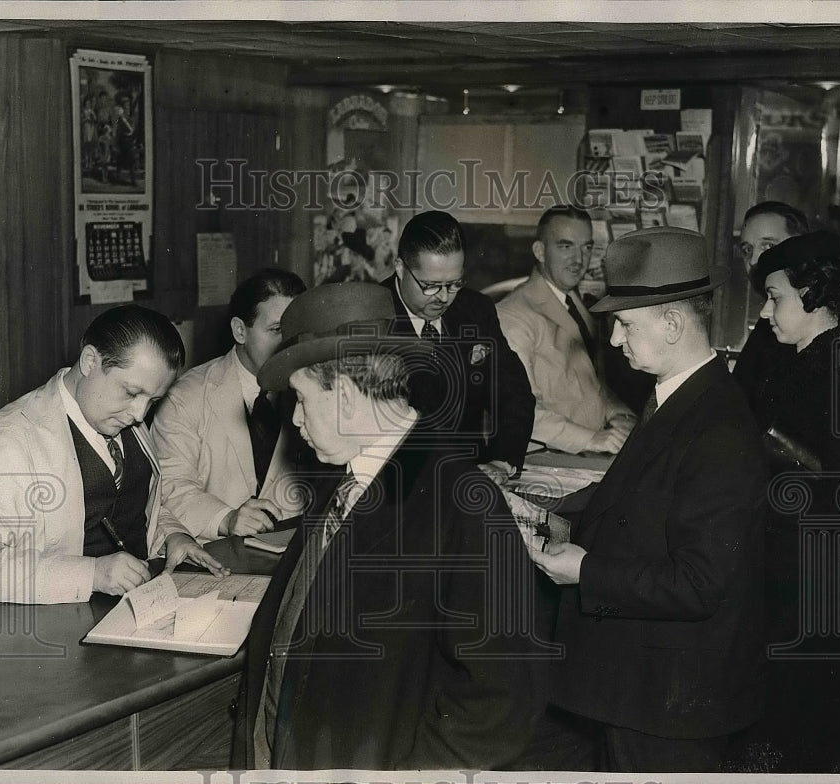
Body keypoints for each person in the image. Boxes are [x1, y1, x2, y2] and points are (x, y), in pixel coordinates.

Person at [248, 282, 546, 770]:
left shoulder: (464, 506)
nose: (296, 421)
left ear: (344, 395)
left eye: (301, 400)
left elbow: (500, 705)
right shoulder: (340, 480)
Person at [529, 227, 768, 772]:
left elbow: (698, 584)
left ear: (673, 322)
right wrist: (547, 513)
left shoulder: (719, 430)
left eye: (625, 324)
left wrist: (584, 570)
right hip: (647, 685)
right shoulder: (678, 396)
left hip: (673, 701)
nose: (614, 340)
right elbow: (637, 496)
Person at [0, 305, 227, 605]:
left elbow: (129, 506)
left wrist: (171, 536)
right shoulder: (10, 438)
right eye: (131, 393)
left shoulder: (118, 415)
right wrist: (92, 574)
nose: (140, 414)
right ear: (91, 361)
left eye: (152, 400)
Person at [743, 230, 840, 771]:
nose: (766, 310)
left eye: (775, 297)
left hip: (819, 593)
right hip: (794, 579)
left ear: (817, 295)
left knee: (807, 743)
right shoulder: (803, 360)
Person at [151, 270, 309, 543]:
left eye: (297, 330)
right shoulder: (185, 396)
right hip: (214, 552)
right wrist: (226, 518)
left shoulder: (313, 390)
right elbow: (168, 486)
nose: (289, 343)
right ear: (240, 331)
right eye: (276, 330)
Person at [382, 210, 535, 484]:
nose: (443, 297)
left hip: (473, 476)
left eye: (454, 284)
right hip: (398, 485)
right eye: (430, 286)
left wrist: (502, 461)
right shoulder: (371, 315)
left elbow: (513, 393)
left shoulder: (475, 310)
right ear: (400, 267)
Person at [497, 204, 635, 454]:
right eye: (566, 246)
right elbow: (517, 410)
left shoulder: (573, 303)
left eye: (587, 247)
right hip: (542, 462)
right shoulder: (513, 315)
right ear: (540, 251)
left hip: (583, 456)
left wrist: (621, 417)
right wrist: (592, 439)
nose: (579, 259)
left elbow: (590, 384)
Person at [731, 201, 809, 404]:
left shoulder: (803, 319)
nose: (754, 259)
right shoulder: (769, 320)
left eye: (768, 246)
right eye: (747, 250)